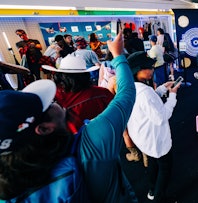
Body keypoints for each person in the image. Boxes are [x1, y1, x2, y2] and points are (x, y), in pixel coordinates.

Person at [0, 31, 139, 202]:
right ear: (44, 128)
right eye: (49, 104)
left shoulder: (9, 189)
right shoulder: (94, 139)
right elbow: (126, 94)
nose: (54, 101)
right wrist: (118, 55)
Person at [126, 51, 181, 203]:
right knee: (165, 167)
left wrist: (163, 88)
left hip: (142, 137)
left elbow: (148, 103)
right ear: (137, 70)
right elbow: (161, 117)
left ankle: (152, 190)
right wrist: (173, 95)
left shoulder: (131, 87)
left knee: (151, 162)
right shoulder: (146, 92)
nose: (152, 70)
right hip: (154, 139)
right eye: (148, 67)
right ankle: (159, 198)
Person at [42, 54, 114, 134]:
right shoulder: (102, 93)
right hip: (105, 136)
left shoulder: (54, 97)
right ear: (86, 75)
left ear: (60, 76)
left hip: (72, 142)